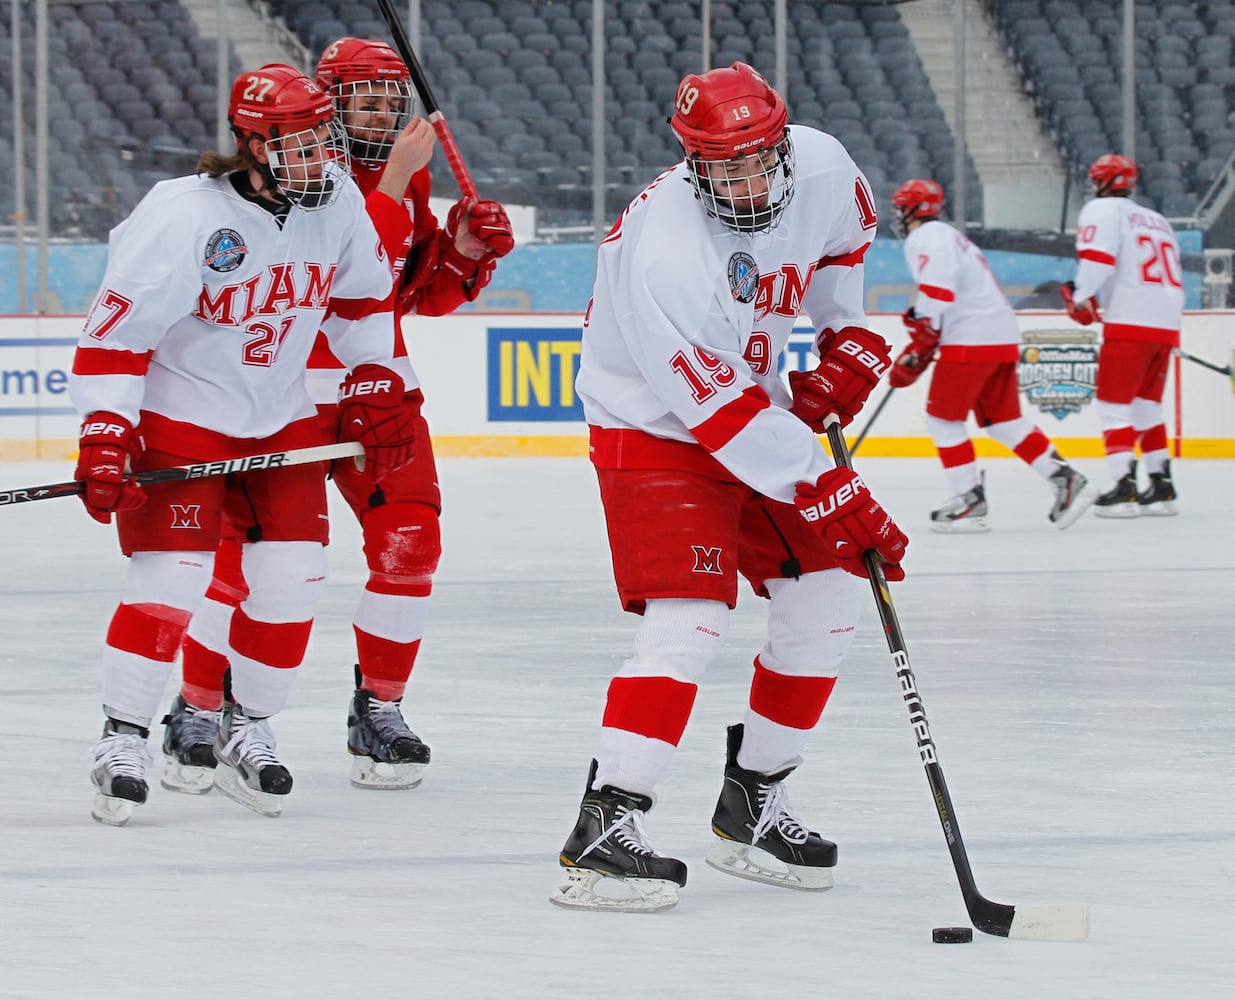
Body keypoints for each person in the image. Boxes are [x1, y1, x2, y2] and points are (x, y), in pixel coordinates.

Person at [549, 62, 907, 914]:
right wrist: (830, 489)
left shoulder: (820, 165)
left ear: (781, 143)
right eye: (724, 166)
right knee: (691, 619)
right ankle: (604, 824)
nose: (745, 180)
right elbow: (714, 413)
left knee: (827, 598)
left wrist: (847, 343)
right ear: (691, 162)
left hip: (759, 412)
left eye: (758, 159)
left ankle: (753, 800)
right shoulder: (665, 249)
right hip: (655, 425)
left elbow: (835, 267)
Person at [160, 37, 515, 796]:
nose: (384, 113)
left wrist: (459, 253)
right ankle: (196, 705)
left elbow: (403, 293)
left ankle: (379, 707)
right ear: (327, 102)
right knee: (248, 567)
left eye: (394, 100)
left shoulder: (406, 177)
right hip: (276, 398)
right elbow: (330, 279)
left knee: (410, 543)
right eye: (367, 99)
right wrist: (390, 184)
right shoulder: (289, 175)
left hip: (376, 389)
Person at [74, 64, 417, 825]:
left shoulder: (337, 204)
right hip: (181, 416)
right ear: (252, 145)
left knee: (294, 576)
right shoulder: (184, 214)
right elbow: (116, 339)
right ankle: (122, 736)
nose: (318, 159)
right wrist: (105, 430)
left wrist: (372, 378)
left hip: (281, 415)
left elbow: (364, 304)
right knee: (173, 577)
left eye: (322, 141)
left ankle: (248, 726)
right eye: (297, 146)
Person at [888, 178, 1098, 533]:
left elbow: (938, 290)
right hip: (998, 334)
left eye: (900, 208)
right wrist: (927, 329)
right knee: (1004, 422)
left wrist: (922, 329)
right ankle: (1065, 478)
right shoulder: (951, 237)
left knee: (942, 419)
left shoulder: (926, 236)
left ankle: (969, 499)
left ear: (911, 209)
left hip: (971, 338)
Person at [1061, 154, 1183, 516]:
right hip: (1164, 323)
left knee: (1113, 405)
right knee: (1147, 406)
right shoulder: (1158, 219)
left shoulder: (1102, 211)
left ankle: (1123, 486)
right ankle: (1161, 485)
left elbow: (1098, 260)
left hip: (1131, 322)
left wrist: (1082, 295)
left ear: (1101, 182)